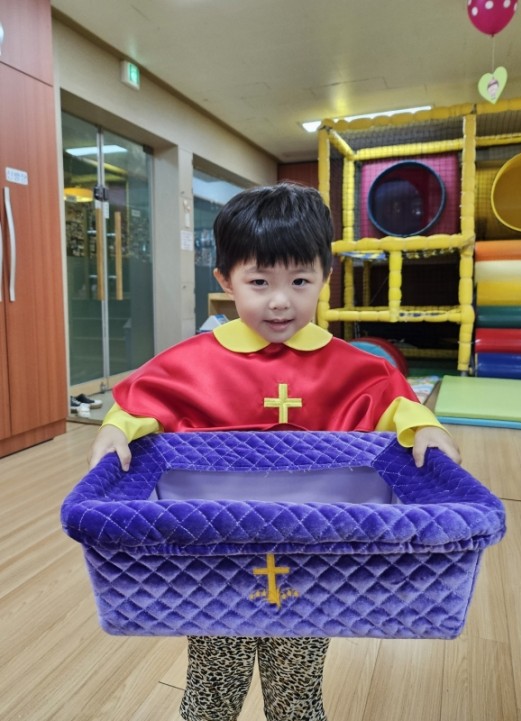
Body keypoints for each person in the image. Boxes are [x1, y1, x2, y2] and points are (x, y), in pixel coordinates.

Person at [89, 182, 460, 721]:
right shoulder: (191, 363)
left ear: (325, 278)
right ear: (226, 280)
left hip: (311, 561)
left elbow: (396, 405)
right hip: (216, 559)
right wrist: (116, 428)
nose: (280, 300)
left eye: (300, 281)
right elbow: (143, 404)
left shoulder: (356, 366)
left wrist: (424, 426)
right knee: (212, 689)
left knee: (297, 693)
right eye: (259, 282)